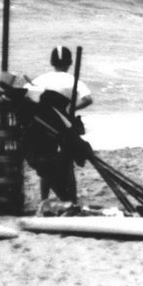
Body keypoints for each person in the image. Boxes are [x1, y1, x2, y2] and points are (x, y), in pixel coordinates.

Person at [29, 46, 93, 212]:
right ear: (70, 62)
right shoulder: (72, 80)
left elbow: (29, 97)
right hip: (64, 127)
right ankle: (72, 200)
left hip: (43, 126)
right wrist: (70, 109)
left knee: (46, 164)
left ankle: (44, 199)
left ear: (51, 62)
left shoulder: (40, 79)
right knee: (68, 164)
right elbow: (87, 99)